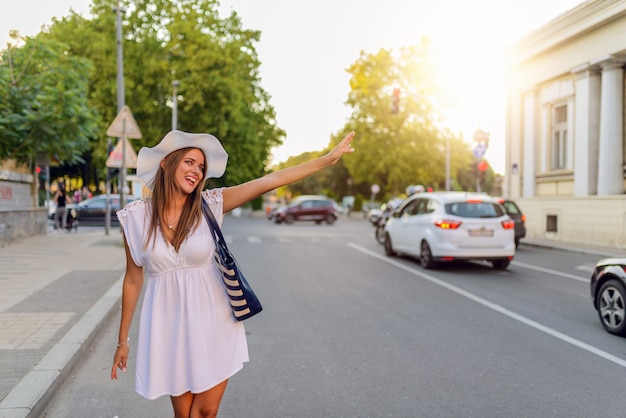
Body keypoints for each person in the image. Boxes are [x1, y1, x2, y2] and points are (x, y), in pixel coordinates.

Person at [110, 129, 355, 417]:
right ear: (166, 163)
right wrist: (123, 341)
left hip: (214, 321)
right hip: (170, 326)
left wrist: (326, 160)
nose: (196, 171)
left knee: (206, 411)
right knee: (184, 414)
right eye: (189, 162)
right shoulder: (135, 217)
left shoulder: (211, 205)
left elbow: (269, 181)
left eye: (201, 167)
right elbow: (133, 278)